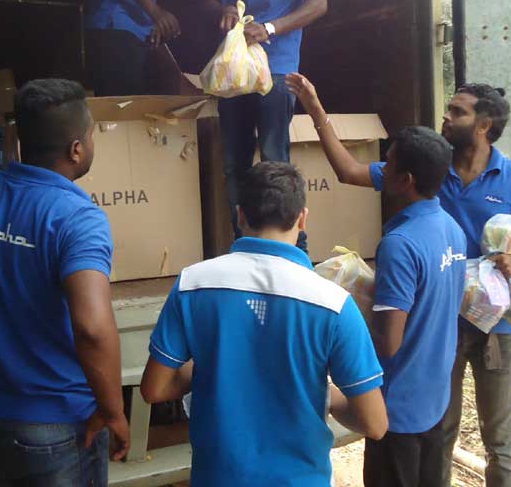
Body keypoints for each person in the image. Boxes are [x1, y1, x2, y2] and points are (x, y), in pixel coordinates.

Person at [285, 74, 511, 487]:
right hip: (442, 326)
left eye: (457, 112)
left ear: (484, 126)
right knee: (438, 428)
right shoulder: (432, 168)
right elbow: (348, 170)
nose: (446, 117)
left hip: (497, 329)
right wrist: (315, 108)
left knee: (499, 441)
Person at [139, 161, 388, 486]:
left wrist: (214, 365)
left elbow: (154, 389)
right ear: (302, 219)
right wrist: (325, 395)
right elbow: (375, 423)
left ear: (240, 215)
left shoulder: (193, 285)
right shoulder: (333, 304)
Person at [0, 78, 130, 486]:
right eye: (92, 134)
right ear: (76, 149)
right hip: (58, 423)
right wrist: (113, 410)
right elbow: (92, 327)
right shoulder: (78, 218)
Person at [201, 0, 328, 240]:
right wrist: (221, 10)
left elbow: (319, 1)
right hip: (234, 71)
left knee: (275, 161)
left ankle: (293, 249)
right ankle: (243, 245)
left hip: (277, 67)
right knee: (234, 164)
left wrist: (271, 28)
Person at [363, 126, 467, 487]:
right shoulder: (452, 229)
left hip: (398, 409)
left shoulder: (400, 244)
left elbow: (390, 343)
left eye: (388, 162)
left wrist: (350, 314)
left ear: (405, 180)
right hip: (435, 397)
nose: (382, 168)